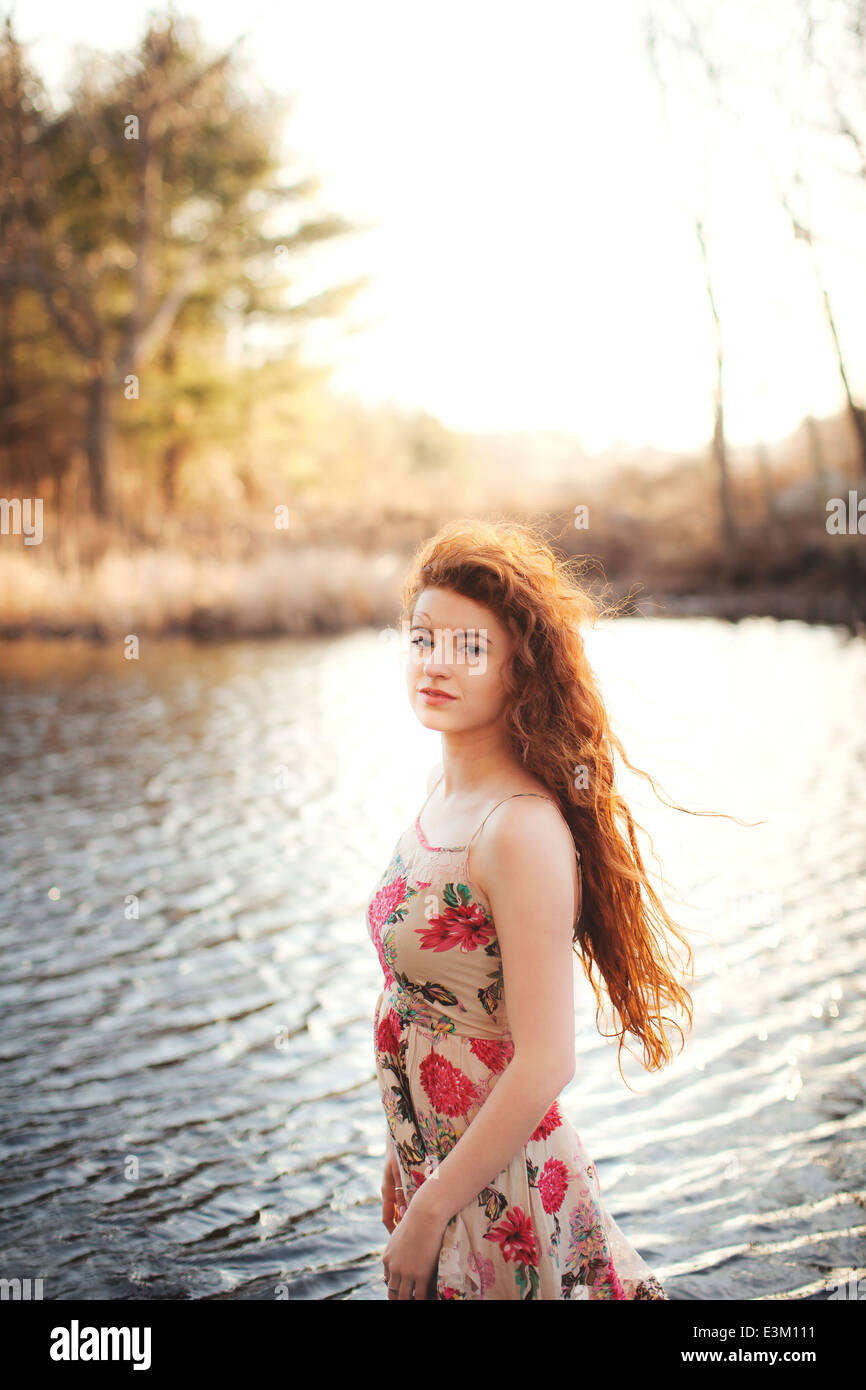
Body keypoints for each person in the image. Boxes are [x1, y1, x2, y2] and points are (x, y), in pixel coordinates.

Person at [365, 517, 702, 1300]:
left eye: (469, 647)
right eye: (422, 639)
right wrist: (403, 1146)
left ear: (520, 669)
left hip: (502, 1190)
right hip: (440, 1162)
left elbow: (548, 1059)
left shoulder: (517, 828)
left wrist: (431, 1209)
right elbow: (426, 1005)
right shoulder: (441, 794)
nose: (435, 663)